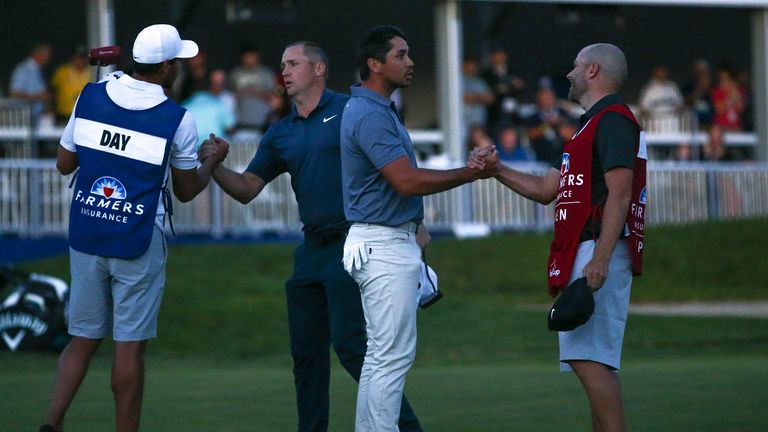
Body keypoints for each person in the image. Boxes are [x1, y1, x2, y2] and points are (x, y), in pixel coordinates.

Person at [199, 41, 423, 432]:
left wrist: (416, 226)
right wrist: (216, 167)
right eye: (282, 65)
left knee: (353, 348)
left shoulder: (350, 109)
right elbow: (249, 186)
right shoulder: (280, 132)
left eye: (294, 63)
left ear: (319, 69)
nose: (284, 71)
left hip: (354, 242)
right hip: (311, 251)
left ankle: (406, 429)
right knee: (306, 357)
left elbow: (391, 165)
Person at [39, 24, 225, 432]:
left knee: (82, 338)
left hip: (87, 230)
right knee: (129, 347)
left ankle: (51, 424)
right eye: (176, 62)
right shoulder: (178, 118)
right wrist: (213, 158)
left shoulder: (90, 96)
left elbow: (65, 164)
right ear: (167, 67)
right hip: (139, 237)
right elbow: (188, 189)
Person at [473, 43, 646, 432]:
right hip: (586, 250)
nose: (569, 73)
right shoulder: (587, 126)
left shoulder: (614, 119)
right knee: (591, 361)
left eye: (575, 65)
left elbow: (620, 192)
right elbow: (546, 188)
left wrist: (600, 258)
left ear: (593, 70)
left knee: (589, 362)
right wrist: (497, 170)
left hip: (597, 249)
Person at [340, 25, 499, 432]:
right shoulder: (371, 113)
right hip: (383, 245)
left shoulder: (375, 109)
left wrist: (417, 223)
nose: (410, 62)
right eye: (401, 55)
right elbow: (406, 181)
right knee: (389, 358)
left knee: (382, 356)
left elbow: (398, 186)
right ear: (375, 65)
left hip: (385, 239)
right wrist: (470, 173)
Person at [230, 43, 277, 132]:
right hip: (241, 124)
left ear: (258, 57)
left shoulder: (266, 74)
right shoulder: (235, 74)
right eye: (247, 56)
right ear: (242, 58)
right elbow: (227, 96)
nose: (250, 59)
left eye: (252, 56)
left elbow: (275, 98)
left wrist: (256, 92)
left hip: (263, 124)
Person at [9, 43, 52, 123]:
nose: (48, 58)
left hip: (38, 116)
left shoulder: (38, 70)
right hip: (24, 118)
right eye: (47, 55)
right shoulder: (23, 70)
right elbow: (14, 94)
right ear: (39, 55)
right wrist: (38, 97)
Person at [50, 45, 91, 125]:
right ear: (72, 58)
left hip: (85, 115)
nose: (80, 60)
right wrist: (50, 109)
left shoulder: (92, 72)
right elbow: (52, 92)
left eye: (82, 58)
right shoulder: (62, 71)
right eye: (77, 57)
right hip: (63, 114)